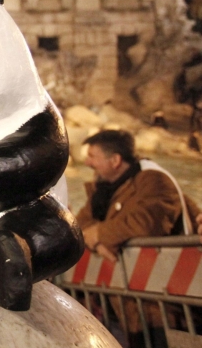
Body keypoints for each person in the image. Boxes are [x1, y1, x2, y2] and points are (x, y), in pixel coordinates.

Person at [76, 129, 201, 348]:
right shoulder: (103, 190)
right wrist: (92, 236)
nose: (87, 162)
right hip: (128, 304)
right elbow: (80, 223)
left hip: (166, 306)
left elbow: (144, 224)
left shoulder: (154, 181)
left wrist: (98, 234)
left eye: (93, 156)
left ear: (115, 160)